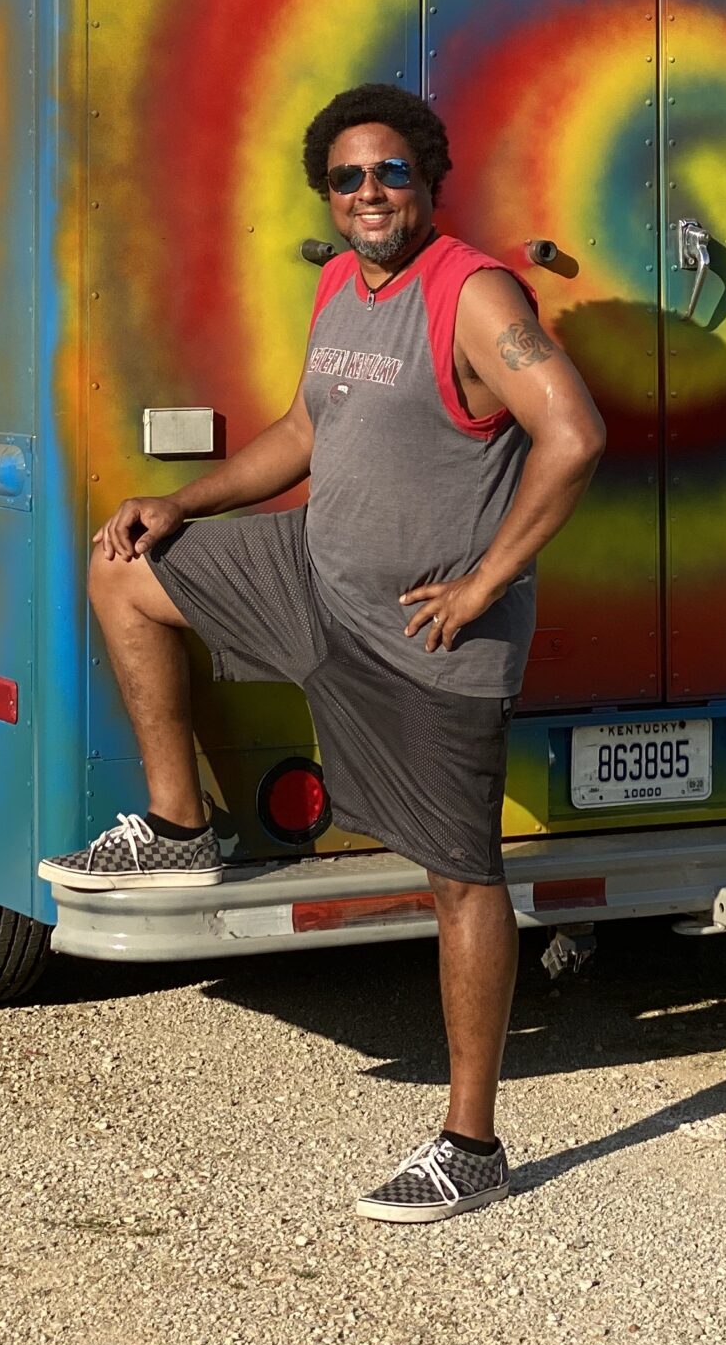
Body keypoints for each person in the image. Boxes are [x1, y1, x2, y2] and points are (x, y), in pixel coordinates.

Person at [40, 83, 606, 1222]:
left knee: (461, 878)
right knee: (122, 568)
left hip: (425, 635)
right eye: (347, 178)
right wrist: (180, 502)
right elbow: (307, 432)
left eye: (389, 172)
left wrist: (487, 581)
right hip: (312, 577)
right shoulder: (343, 286)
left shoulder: (471, 293)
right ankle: (179, 825)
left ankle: (472, 1141)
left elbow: (574, 432)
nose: (368, 194)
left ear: (428, 180)